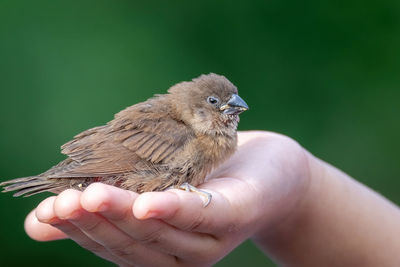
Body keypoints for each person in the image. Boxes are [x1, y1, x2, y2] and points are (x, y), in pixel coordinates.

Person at [25, 131, 400, 266]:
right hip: (113, 167)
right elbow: (125, 156)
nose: (232, 107)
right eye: (216, 103)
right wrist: (67, 175)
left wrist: (300, 186)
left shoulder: (204, 137)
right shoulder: (179, 130)